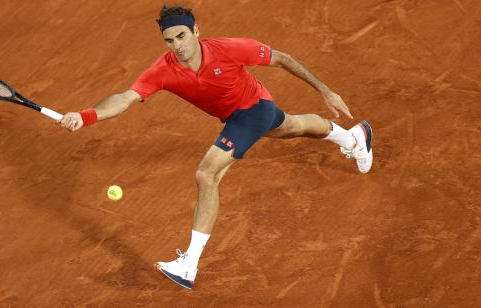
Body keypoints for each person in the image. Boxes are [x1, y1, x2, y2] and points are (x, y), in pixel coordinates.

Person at [59, 5, 373, 289]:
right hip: (240, 115)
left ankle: (189, 264)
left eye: (182, 36)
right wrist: (86, 116)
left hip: (254, 109)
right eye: (170, 41)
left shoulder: (229, 49)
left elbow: (283, 59)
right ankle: (354, 138)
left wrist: (326, 90)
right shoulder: (163, 69)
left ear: (196, 31)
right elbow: (125, 99)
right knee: (292, 127)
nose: (177, 46)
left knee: (207, 174)